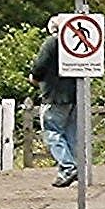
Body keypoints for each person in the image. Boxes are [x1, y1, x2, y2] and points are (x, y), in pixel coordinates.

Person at [30, 17, 79, 187]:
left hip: (55, 94)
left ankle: (67, 167)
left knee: (52, 133)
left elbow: (39, 66)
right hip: (74, 95)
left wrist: (34, 78)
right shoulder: (73, 41)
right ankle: (72, 167)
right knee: (71, 135)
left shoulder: (51, 42)